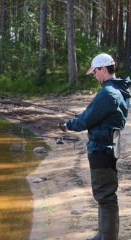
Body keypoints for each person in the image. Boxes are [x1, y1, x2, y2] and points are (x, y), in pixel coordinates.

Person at [59, 53, 131, 240]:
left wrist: (67, 125)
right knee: (104, 195)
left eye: (95, 71)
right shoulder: (119, 90)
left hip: (101, 148)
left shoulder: (108, 93)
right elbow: (97, 115)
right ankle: (103, 234)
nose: (94, 75)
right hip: (108, 146)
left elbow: (85, 121)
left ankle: (108, 237)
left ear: (103, 69)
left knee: (105, 196)